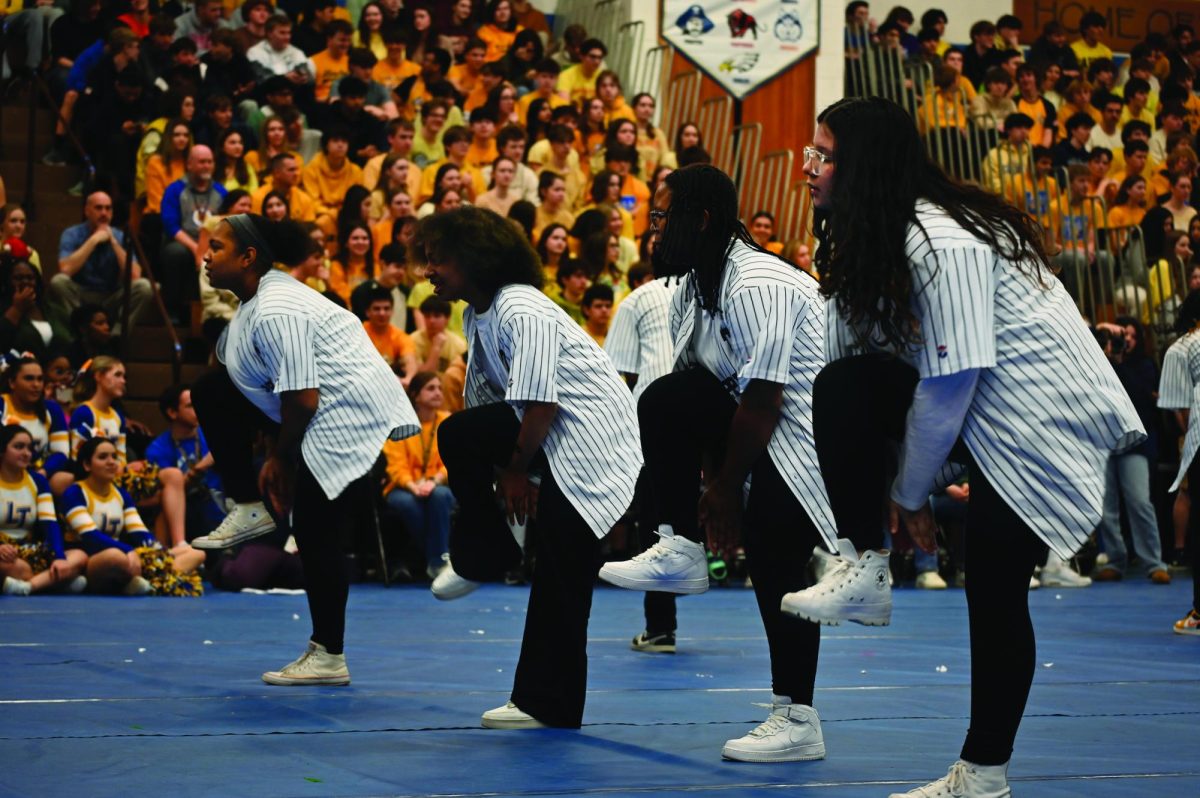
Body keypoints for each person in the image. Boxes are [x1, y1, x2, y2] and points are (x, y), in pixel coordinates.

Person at [778, 97, 1143, 797]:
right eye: (809, 153)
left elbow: (949, 387)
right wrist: (909, 487)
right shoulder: (889, 237)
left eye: (823, 155)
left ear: (864, 168)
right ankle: (866, 565)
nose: (808, 168)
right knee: (845, 385)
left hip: (1041, 420)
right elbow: (888, 373)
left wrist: (909, 493)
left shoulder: (939, 240)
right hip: (989, 413)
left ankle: (981, 776)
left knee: (998, 589)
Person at [597, 164, 840, 762]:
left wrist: (726, 490)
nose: (651, 228)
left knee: (775, 550)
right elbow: (699, 394)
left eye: (660, 216)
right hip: (758, 432)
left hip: (813, 436)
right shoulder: (693, 288)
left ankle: (798, 718)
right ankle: (679, 546)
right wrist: (709, 492)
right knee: (661, 396)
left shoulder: (757, 281)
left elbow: (764, 398)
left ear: (699, 219)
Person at [416, 206, 642, 730]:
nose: (429, 272)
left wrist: (517, 472)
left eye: (438, 260)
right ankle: (537, 696)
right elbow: (489, 407)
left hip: (592, 445)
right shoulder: (478, 315)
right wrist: (513, 473)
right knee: (461, 435)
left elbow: (541, 404)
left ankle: (551, 704)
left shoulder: (522, 309)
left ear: (473, 259)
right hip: (552, 439)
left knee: (564, 573)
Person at [191, 213, 418, 684]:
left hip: (347, 414)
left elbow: (303, 398)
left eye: (216, 247)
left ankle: (329, 655)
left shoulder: (278, 309)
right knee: (212, 390)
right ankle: (248, 505)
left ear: (248, 257)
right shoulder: (252, 304)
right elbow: (244, 386)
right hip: (316, 407)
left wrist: (280, 460)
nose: (206, 256)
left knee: (316, 530)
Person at [63, 436, 205, 596]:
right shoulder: (74, 492)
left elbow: (139, 532)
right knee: (115, 557)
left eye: (114, 457)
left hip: (124, 554)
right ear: (87, 465)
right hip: (90, 558)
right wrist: (129, 551)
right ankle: (134, 581)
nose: (111, 462)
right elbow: (90, 536)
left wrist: (158, 554)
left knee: (197, 551)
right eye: (103, 457)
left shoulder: (121, 494)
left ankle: (150, 582)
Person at [382, 371, 454, 579]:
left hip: (438, 484)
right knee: (407, 503)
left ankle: (434, 561)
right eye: (431, 388)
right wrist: (413, 486)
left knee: (440, 496)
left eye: (439, 388)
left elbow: (451, 461)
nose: (438, 393)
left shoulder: (447, 421)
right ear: (415, 395)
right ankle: (436, 558)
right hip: (403, 487)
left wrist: (434, 481)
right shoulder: (401, 424)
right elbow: (396, 467)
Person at [0, 426, 87, 596]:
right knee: (12, 566)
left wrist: (59, 557)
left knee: (79, 555)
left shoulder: (38, 481)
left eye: (29, 448)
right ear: (2, 450)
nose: (26, 453)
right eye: (18, 447)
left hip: (29, 550)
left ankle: (29, 586)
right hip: (4, 555)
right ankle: (55, 583)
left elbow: (50, 523)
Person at [52, 192, 152, 332]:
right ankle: (82, 330)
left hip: (110, 297)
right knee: (59, 281)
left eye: (108, 208)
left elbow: (135, 275)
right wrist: (93, 240)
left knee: (144, 286)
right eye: (98, 208)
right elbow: (65, 270)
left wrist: (113, 242)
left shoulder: (120, 236)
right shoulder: (72, 234)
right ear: (87, 211)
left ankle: (115, 336)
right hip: (81, 296)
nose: (104, 213)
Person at [144, 385, 226, 543]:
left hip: (222, 508)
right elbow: (165, 496)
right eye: (190, 405)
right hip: (186, 516)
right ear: (172, 413)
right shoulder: (157, 450)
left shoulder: (212, 433)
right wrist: (202, 466)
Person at [0, 353, 71, 493]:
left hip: (37, 473)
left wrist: (44, 472)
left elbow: (62, 453)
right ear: (12, 383)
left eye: (40, 379)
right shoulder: (2, 405)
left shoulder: (52, 410)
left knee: (65, 479)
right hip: (3, 472)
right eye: (29, 379)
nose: (36, 385)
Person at [0, 252, 71, 362]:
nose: (25, 282)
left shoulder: (54, 310)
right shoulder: (3, 308)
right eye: (18, 278)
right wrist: (17, 309)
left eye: (30, 278)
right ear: (7, 282)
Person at [361, 285, 417, 380]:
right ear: (367, 312)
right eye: (376, 309)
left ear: (392, 311)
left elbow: (409, 360)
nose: (382, 313)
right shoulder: (359, 332)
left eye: (386, 309)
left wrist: (408, 379)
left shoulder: (400, 336)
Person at [411, 295, 467, 374]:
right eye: (427, 316)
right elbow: (418, 376)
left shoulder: (459, 345)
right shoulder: (412, 340)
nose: (431, 320)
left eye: (437, 316)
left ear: (447, 319)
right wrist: (436, 348)